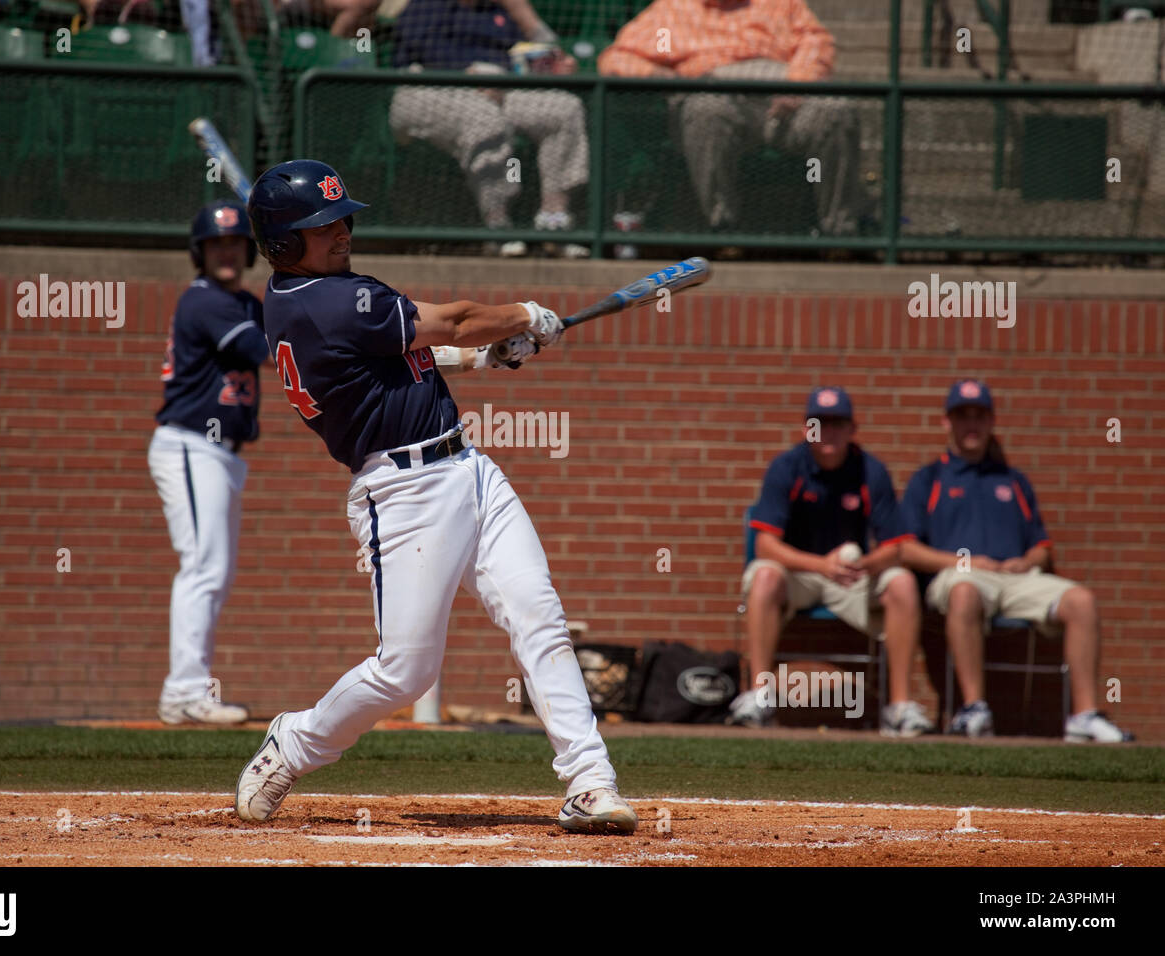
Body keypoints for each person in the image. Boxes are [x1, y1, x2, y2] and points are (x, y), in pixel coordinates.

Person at [235, 158, 637, 832]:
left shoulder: (303, 295)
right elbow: (451, 320)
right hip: (405, 491)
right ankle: (294, 742)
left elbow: (403, 353)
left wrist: (485, 356)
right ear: (282, 241)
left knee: (539, 617)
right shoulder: (330, 299)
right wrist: (528, 314)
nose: (340, 231)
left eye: (341, 219)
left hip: (470, 467)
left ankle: (590, 782)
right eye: (320, 224)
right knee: (404, 672)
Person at [900, 380, 1134, 743]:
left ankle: (1084, 716)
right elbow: (906, 549)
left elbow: (1042, 547)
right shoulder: (929, 478)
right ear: (947, 422)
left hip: (1015, 577)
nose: (972, 423)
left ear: (992, 421)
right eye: (963, 415)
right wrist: (967, 563)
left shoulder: (1013, 480)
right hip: (960, 576)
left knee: (1082, 601)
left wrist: (1026, 563)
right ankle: (974, 709)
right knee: (964, 593)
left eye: (980, 415)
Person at [731, 387, 930, 735]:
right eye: (819, 423)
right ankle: (759, 697)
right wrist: (821, 565)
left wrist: (867, 564)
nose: (828, 432)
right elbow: (765, 544)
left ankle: (899, 707)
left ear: (852, 429)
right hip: (799, 576)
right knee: (762, 575)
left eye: (837, 423)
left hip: (852, 576)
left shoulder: (870, 470)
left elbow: (895, 546)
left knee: (902, 581)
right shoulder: (786, 467)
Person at [596, 0, 875, 237]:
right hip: (717, 92)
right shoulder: (673, 9)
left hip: (782, 99)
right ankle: (723, 226)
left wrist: (798, 83)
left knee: (836, 109)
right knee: (706, 109)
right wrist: (663, 76)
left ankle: (838, 230)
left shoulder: (777, 3)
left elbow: (816, 41)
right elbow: (616, 58)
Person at [147, 200, 265, 725]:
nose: (227, 253)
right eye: (217, 244)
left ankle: (189, 688)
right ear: (200, 251)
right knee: (203, 568)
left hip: (218, 453)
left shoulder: (242, 301)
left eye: (236, 244)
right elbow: (265, 348)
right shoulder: (204, 302)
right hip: (192, 445)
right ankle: (185, 691)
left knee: (214, 569)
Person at [388, 0, 590, 258]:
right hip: (428, 88)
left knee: (563, 109)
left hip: (498, 88)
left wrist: (550, 58)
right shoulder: (427, 5)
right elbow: (425, 49)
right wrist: (476, 73)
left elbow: (534, 51)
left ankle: (554, 220)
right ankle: (498, 227)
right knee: (485, 119)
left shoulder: (499, 10)